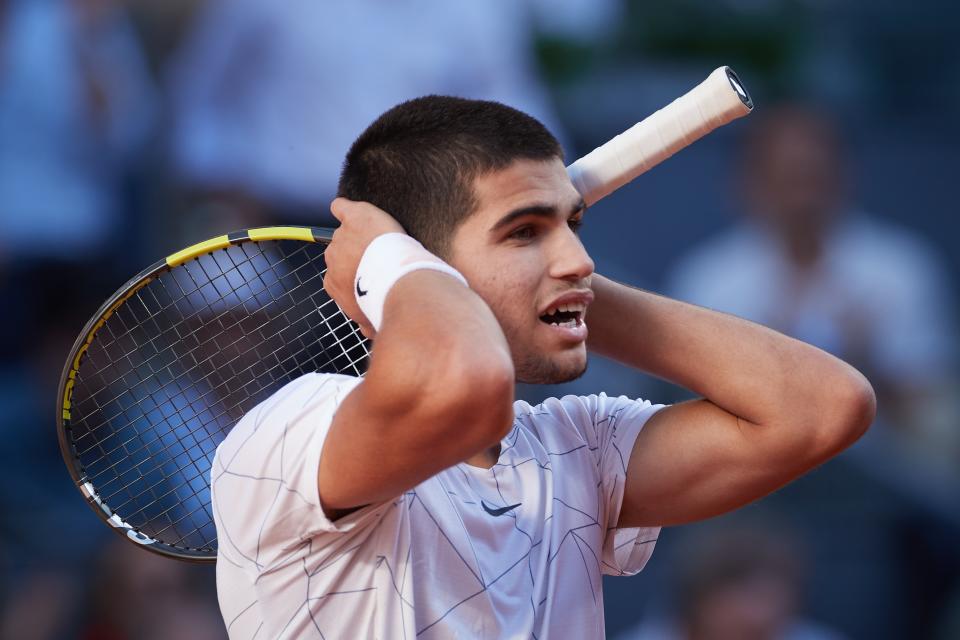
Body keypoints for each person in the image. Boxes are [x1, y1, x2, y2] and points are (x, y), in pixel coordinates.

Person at [209, 97, 875, 638]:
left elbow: (825, 406)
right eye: (524, 231)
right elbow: (466, 385)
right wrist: (399, 265)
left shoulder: (574, 449)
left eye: (573, 226)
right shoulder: (294, 425)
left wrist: (554, 286)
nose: (581, 258)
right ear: (417, 269)